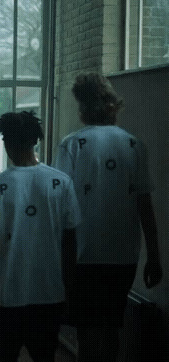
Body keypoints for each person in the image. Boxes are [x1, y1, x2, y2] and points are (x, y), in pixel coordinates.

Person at [52, 73, 163, 362]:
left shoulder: (72, 145)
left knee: (87, 332)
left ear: (83, 108)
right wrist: (154, 256)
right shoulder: (134, 145)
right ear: (113, 105)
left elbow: (61, 207)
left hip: (83, 255)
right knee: (112, 327)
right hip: (123, 255)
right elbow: (144, 205)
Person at [0, 111, 81, 362]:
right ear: (36, 141)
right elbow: (70, 239)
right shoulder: (61, 182)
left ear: (6, 143)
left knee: (6, 356)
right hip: (49, 291)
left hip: (8, 290)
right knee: (45, 356)